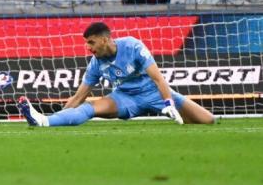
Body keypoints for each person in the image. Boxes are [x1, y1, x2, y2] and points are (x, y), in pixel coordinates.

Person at [18, 22, 216, 127]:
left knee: (207, 120)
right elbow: (79, 96)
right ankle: (43, 121)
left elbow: (158, 78)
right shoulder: (96, 63)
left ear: (105, 40)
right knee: (89, 108)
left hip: (155, 94)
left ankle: (174, 114)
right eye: (86, 43)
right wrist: (57, 118)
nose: (88, 48)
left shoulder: (133, 46)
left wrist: (168, 103)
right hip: (125, 99)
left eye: (91, 42)